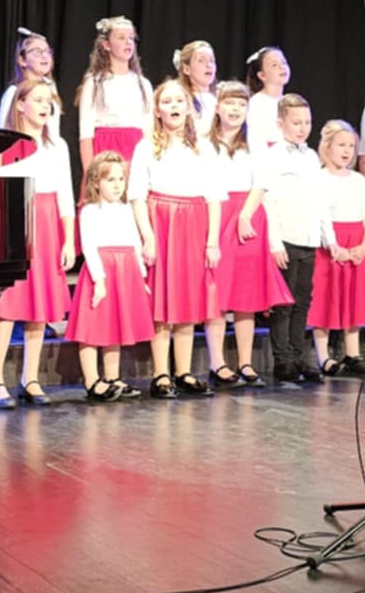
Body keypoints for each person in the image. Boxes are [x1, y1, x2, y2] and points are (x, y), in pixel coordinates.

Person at [129, 79, 223, 398]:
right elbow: (137, 196)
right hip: (161, 221)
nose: (174, 106)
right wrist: (148, 237)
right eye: (167, 101)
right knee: (162, 299)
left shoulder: (203, 148)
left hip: (194, 223)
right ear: (157, 110)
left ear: (188, 108)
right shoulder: (146, 147)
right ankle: (161, 373)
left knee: (187, 299)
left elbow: (213, 197)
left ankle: (183, 371)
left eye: (179, 101)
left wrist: (212, 241)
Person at [0, 78, 76, 406]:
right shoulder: (5, 144)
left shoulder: (58, 146)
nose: (44, 106)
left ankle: (31, 378)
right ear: (20, 105)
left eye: (48, 100)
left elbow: (65, 196)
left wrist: (69, 240)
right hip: (17, 225)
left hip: (48, 227)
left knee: (39, 306)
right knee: (8, 306)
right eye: (37, 99)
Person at [204, 81, 290, 386]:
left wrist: (245, 214)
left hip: (248, 214)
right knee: (216, 292)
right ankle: (217, 363)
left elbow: (262, 181)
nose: (235, 109)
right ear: (218, 106)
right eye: (230, 103)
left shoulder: (254, 138)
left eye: (241, 104)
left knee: (245, 293)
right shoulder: (204, 141)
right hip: (216, 212)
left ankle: (245, 362)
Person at [67, 151, 152, 402]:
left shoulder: (126, 210)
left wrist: (141, 275)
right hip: (102, 272)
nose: (117, 185)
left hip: (125, 270)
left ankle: (112, 377)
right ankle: (92, 380)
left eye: (121, 179)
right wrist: (99, 280)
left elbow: (135, 242)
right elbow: (89, 246)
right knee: (92, 328)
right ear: (96, 182)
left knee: (114, 324)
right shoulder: (90, 211)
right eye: (110, 180)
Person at [260, 94, 324, 384]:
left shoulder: (311, 157)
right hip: (286, 238)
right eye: (296, 122)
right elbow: (268, 200)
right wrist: (274, 242)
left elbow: (318, 199)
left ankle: (298, 356)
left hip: (308, 237)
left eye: (307, 122)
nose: (302, 128)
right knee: (283, 304)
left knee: (302, 301)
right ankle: (282, 360)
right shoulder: (272, 156)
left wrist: (326, 236)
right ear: (280, 123)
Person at [308, 119, 365, 377]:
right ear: (327, 146)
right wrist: (334, 245)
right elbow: (320, 213)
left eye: (351, 146)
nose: (347, 151)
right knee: (326, 296)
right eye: (341, 145)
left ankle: (352, 352)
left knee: (353, 296)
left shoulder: (357, 179)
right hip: (330, 243)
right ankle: (324, 356)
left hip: (356, 240)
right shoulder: (319, 177)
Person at [76, 16, 153, 173]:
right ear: (106, 45)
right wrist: (89, 174)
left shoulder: (143, 83)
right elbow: (86, 134)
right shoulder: (95, 82)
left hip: (136, 150)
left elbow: (149, 131)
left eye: (131, 38)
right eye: (121, 38)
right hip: (106, 149)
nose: (128, 42)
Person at [0, 27, 62, 142]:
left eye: (48, 51)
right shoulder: (14, 92)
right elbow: (5, 132)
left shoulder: (51, 87)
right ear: (22, 60)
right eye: (37, 52)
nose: (44, 56)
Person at [244, 46, 290, 150]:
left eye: (284, 62)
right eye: (274, 65)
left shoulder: (288, 102)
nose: (282, 67)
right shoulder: (257, 104)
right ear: (262, 75)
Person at [173, 40, 220, 125]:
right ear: (186, 69)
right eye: (201, 60)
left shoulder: (220, 97)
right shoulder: (180, 99)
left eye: (212, 60)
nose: (209, 65)